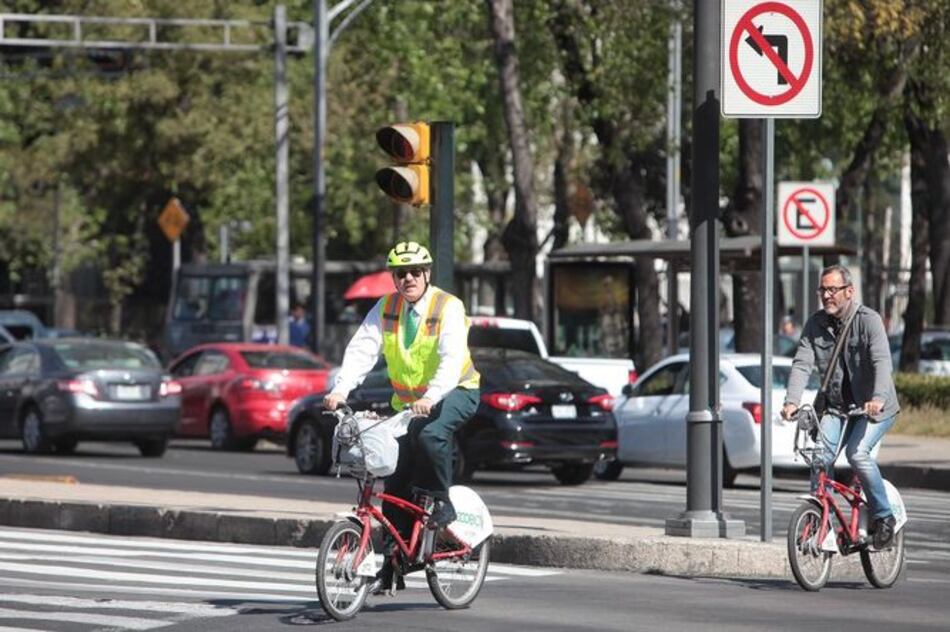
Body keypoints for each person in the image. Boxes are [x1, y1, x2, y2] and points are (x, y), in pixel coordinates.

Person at [324, 241, 481, 591]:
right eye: (400, 273)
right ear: (393, 278)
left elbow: (451, 360)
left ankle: (443, 504)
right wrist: (340, 390)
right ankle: (394, 563)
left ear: (427, 273)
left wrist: (430, 397)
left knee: (431, 437)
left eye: (415, 272)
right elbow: (362, 350)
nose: (408, 278)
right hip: (408, 405)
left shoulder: (448, 307)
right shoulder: (386, 308)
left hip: (457, 392)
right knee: (393, 479)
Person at [781, 264, 900, 549]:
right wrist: (791, 401)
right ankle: (818, 522)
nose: (826, 295)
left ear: (849, 291)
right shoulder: (815, 324)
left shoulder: (868, 320)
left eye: (832, 289)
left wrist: (878, 398)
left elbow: (882, 361)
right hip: (837, 407)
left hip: (874, 408)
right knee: (819, 457)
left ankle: (884, 516)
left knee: (857, 455)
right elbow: (802, 363)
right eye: (822, 290)